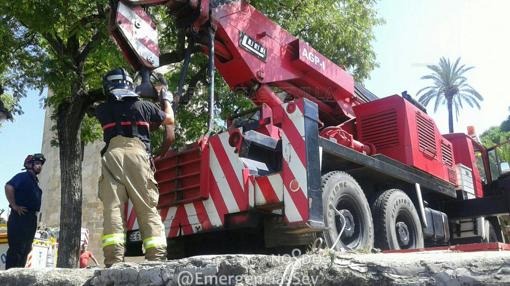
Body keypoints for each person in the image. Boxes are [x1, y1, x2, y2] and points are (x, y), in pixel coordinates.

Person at [95, 68, 175, 267]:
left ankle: (113, 260)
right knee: (147, 207)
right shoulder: (145, 107)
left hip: (112, 157)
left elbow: (116, 107)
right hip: (138, 156)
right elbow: (169, 119)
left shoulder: (102, 110)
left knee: (112, 208)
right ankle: (156, 258)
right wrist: (167, 99)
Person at [4, 153, 45, 269]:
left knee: (26, 248)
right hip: (20, 216)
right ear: (29, 165)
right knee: (17, 248)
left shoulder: (35, 182)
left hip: (31, 218)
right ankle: (10, 277)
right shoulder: (23, 177)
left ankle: (19, 275)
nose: (40, 166)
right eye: (37, 163)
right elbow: (8, 186)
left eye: (41, 164)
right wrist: (14, 205)